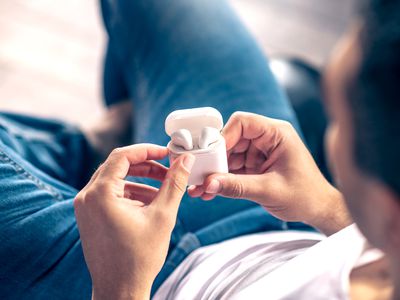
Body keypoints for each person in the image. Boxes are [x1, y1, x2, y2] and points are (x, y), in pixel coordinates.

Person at [1, 0, 398, 299]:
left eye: (339, 120)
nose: (330, 136)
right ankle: (85, 151)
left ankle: (84, 150)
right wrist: (326, 204)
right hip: (274, 219)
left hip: (141, 280)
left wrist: (121, 285)